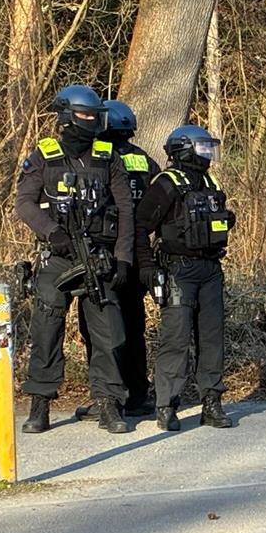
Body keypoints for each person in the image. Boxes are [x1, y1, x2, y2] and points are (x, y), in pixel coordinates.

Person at [15, 84, 134, 434]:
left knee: (109, 332)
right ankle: (40, 403)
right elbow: (24, 203)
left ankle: (109, 404)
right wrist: (53, 233)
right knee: (46, 328)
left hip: (99, 257)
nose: (92, 121)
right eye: (85, 115)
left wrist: (123, 258)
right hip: (58, 257)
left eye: (95, 116)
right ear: (67, 116)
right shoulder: (44, 154)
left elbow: (125, 209)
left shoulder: (107, 155)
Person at [134, 125, 236, 431]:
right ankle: (166, 405)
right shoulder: (166, 183)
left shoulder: (209, 181)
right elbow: (141, 227)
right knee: (175, 339)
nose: (208, 154)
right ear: (184, 149)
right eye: (202, 148)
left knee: (211, 338)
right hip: (178, 270)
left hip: (210, 270)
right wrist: (147, 267)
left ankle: (212, 402)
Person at [75, 100, 161, 421]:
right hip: (140, 254)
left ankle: (110, 396)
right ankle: (139, 393)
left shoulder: (100, 157)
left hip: (109, 253)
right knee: (134, 325)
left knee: (99, 328)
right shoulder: (144, 159)